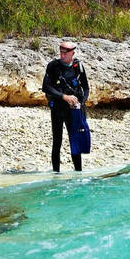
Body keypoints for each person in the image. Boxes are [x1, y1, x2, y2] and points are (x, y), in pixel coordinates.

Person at [42, 40, 89, 172]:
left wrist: (82, 102)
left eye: (65, 53)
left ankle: (78, 173)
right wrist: (65, 97)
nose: (63, 56)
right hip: (58, 108)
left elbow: (85, 87)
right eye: (61, 53)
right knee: (57, 141)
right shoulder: (53, 66)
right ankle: (56, 173)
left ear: (72, 53)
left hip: (74, 110)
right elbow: (46, 87)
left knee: (75, 141)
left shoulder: (78, 66)